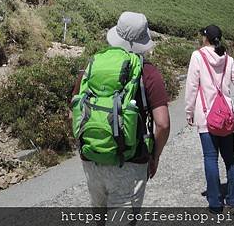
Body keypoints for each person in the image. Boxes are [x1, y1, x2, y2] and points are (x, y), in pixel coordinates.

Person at [72, 11, 170, 209]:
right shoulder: (148, 72)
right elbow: (162, 123)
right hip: (131, 162)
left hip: (92, 158)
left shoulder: (92, 65)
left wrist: (90, 144)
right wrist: (154, 156)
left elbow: (73, 112)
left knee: (99, 215)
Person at [185, 24, 234, 212]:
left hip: (205, 116)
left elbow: (191, 87)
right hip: (226, 117)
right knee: (230, 156)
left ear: (205, 38)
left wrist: (189, 112)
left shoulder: (197, 56)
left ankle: (215, 203)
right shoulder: (228, 59)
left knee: (210, 157)